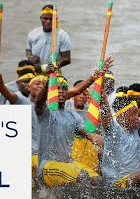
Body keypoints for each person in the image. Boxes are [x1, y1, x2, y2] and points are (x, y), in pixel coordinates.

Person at [35, 58, 113, 187]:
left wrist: (109, 145)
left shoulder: (73, 116)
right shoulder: (45, 112)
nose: (60, 91)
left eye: (64, 89)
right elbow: (38, 102)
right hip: (47, 165)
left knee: (98, 180)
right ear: (50, 90)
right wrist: (49, 79)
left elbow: (90, 135)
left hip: (67, 163)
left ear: (68, 93)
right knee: (82, 176)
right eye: (57, 88)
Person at [25, 4, 72, 76]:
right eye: (45, 18)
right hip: (35, 72)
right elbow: (28, 50)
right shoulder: (33, 33)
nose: (48, 22)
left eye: (51, 19)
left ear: (56, 19)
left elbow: (66, 59)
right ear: (41, 18)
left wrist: (50, 67)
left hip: (53, 73)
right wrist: (30, 57)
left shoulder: (62, 35)